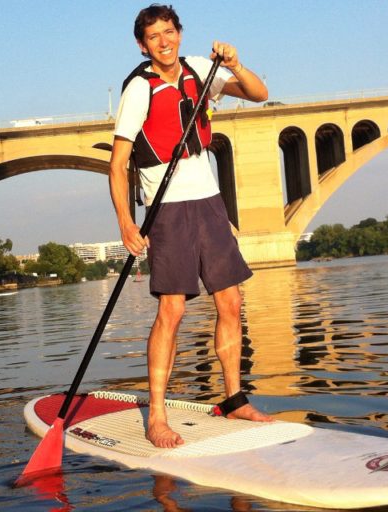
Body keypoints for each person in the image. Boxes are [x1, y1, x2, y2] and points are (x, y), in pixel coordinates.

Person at [109, 4, 272, 449]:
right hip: (167, 208)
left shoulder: (201, 69)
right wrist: (126, 221)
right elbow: (118, 163)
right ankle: (157, 416)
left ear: (179, 33)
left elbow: (258, 93)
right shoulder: (139, 89)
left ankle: (235, 399)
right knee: (173, 310)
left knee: (231, 302)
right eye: (154, 36)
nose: (164, 42)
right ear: (142, 45)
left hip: (209, 201)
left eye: (169, 32)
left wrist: (235, 64)